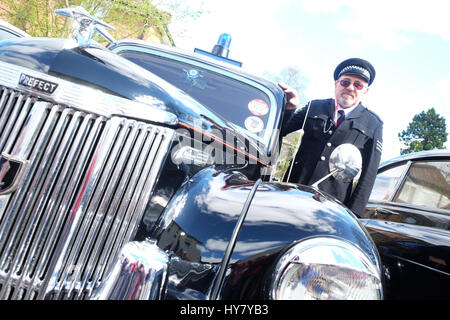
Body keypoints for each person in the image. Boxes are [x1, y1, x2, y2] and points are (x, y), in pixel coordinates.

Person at [278, 58, 383, 216]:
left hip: (332, 206)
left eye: (358, 85)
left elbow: (368, 176)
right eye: (345, 82)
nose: (350, 88)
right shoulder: (314, 107)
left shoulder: (373, 124)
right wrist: (289, 109)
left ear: (365, 91)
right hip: (295, 191)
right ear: (336, 84)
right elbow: (281, 131)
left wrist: (353, 215)